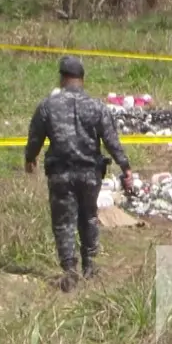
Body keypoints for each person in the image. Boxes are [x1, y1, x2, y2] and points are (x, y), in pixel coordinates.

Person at [25, 56, 133, 292]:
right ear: (82, 79)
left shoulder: (48, 106)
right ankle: (90, 265)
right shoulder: (96, 106)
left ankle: (69, 270)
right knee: (89, 217)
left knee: (63, 222)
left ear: (62, 78)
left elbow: (35, 138)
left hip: (60, 174)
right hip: (90, 174)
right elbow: (112, 141)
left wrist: (30, 158)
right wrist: (125, 168)